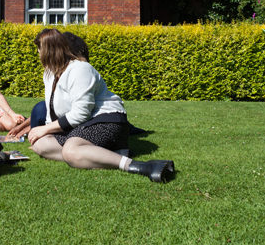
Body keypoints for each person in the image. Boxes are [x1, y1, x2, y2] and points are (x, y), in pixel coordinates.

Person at [28, 28, 174, 182]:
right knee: (40, 145)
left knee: (70, 151)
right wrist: (44, 131)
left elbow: (81, 113)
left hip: (106, 121)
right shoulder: (49, 73)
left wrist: (45, 129)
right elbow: (53, 112)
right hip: (81, 126)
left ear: (48, 50)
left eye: (39, 49)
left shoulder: (80, 69)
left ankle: (138, 165)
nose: (37, 53)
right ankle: (96, 155)